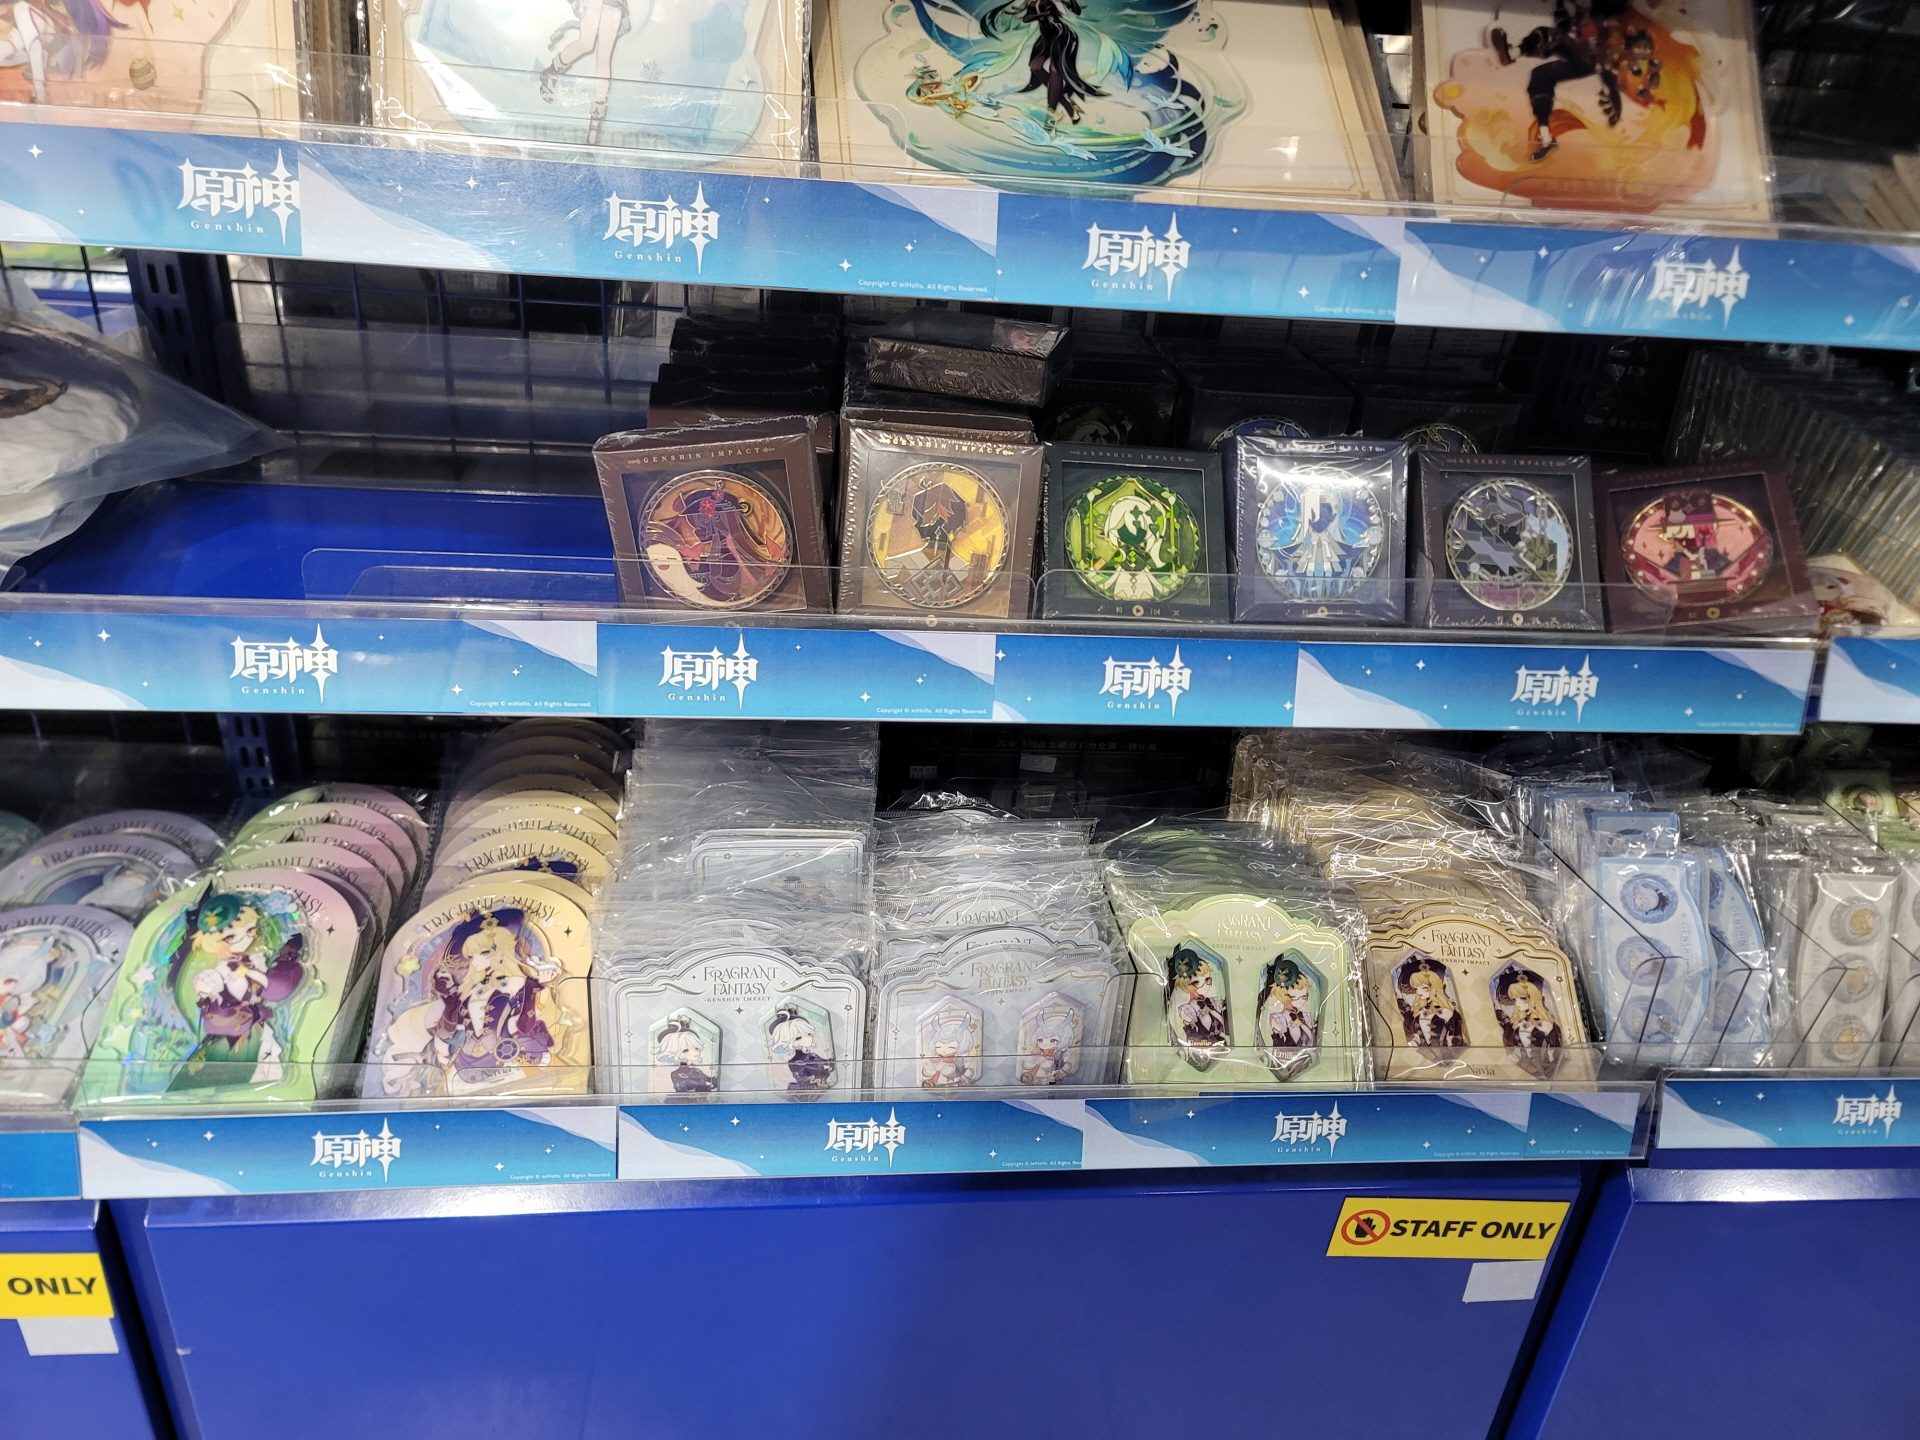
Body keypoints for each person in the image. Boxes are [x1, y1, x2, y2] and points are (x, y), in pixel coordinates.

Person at [167, 894, 305, 1091]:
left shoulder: (252, 962)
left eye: (250, 930)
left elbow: (267, 988)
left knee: (262, 1057)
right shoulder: (222, 969)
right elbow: (205, 986)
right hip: (232, 1026)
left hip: (251, 1022)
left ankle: (257, 1087)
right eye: (231, 936)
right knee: (229, 1063)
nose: (246, 938)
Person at [1493, 963, 1565, 1078]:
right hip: (1519, 1074)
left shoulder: (1546, 1025)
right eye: (1514, 999)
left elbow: (1554, 1053)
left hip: (1546, 1074)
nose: (1517, 1003)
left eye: (1522, 998)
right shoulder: (1518, 1024)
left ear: (1533, 998)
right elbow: (1510, 1049)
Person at [1395, 951, 1467, 1055]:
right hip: (1419, 1059)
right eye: (1416, 988)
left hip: (1449, 1058)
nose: (1418, 992)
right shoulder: (1416, 1013)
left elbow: (1458, 1043)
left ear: (1434, 987)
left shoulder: (1450, 1014)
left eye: (1423, 987)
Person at [1257, 953, 1318, 1074]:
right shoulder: (1278, 1019)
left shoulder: (1306, 1017)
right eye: (1294, 997)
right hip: (1279, 1061)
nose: (1300, 1001)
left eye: (1304, 997)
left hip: (1303, 1063)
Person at [1166, 944, 1229, 1061]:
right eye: (1197, 982)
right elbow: (1186, 1021)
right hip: (1196, 1042)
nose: (1205, 986)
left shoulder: (1212, 1001)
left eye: (1207, 980)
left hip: (1217, 1044)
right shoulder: (1188, 1008)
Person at [767, 1004, 833, 1091]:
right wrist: (822, 1075)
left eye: (808, 1034)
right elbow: (804, 1081)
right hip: (807, 1093)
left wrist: (831, 1064)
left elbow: (827, 1063)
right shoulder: (795, 1062)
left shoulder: (812, 1055)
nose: (808, 1038)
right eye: (798, 1038)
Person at [655, 1013, 718, 1093]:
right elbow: (682, 1090)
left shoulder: (697, 1070)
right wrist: (703, 1087)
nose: (695, 1052)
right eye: (686, 1050)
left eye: (696, 1048)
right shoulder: (676, 1074)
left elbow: (712, 1081)